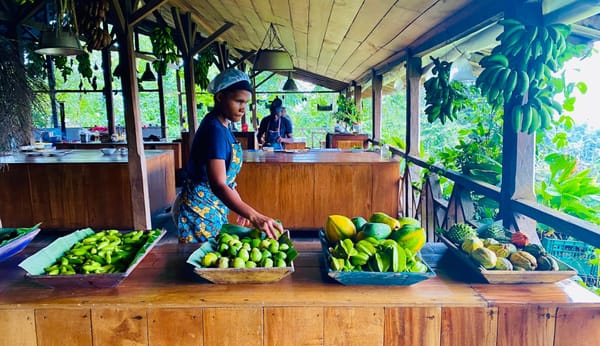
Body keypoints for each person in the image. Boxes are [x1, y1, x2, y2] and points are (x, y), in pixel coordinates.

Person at [174, 69, 284, 243]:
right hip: (200, 210)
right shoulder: (214, 130)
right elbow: (218, 184)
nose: (242, 109)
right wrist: (254, 216)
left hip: (214, 206)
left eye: (246, 103)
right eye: (238, 101)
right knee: (203, 264)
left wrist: (241, 207)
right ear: (220, 97)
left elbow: (227, 179)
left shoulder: (223, 125)